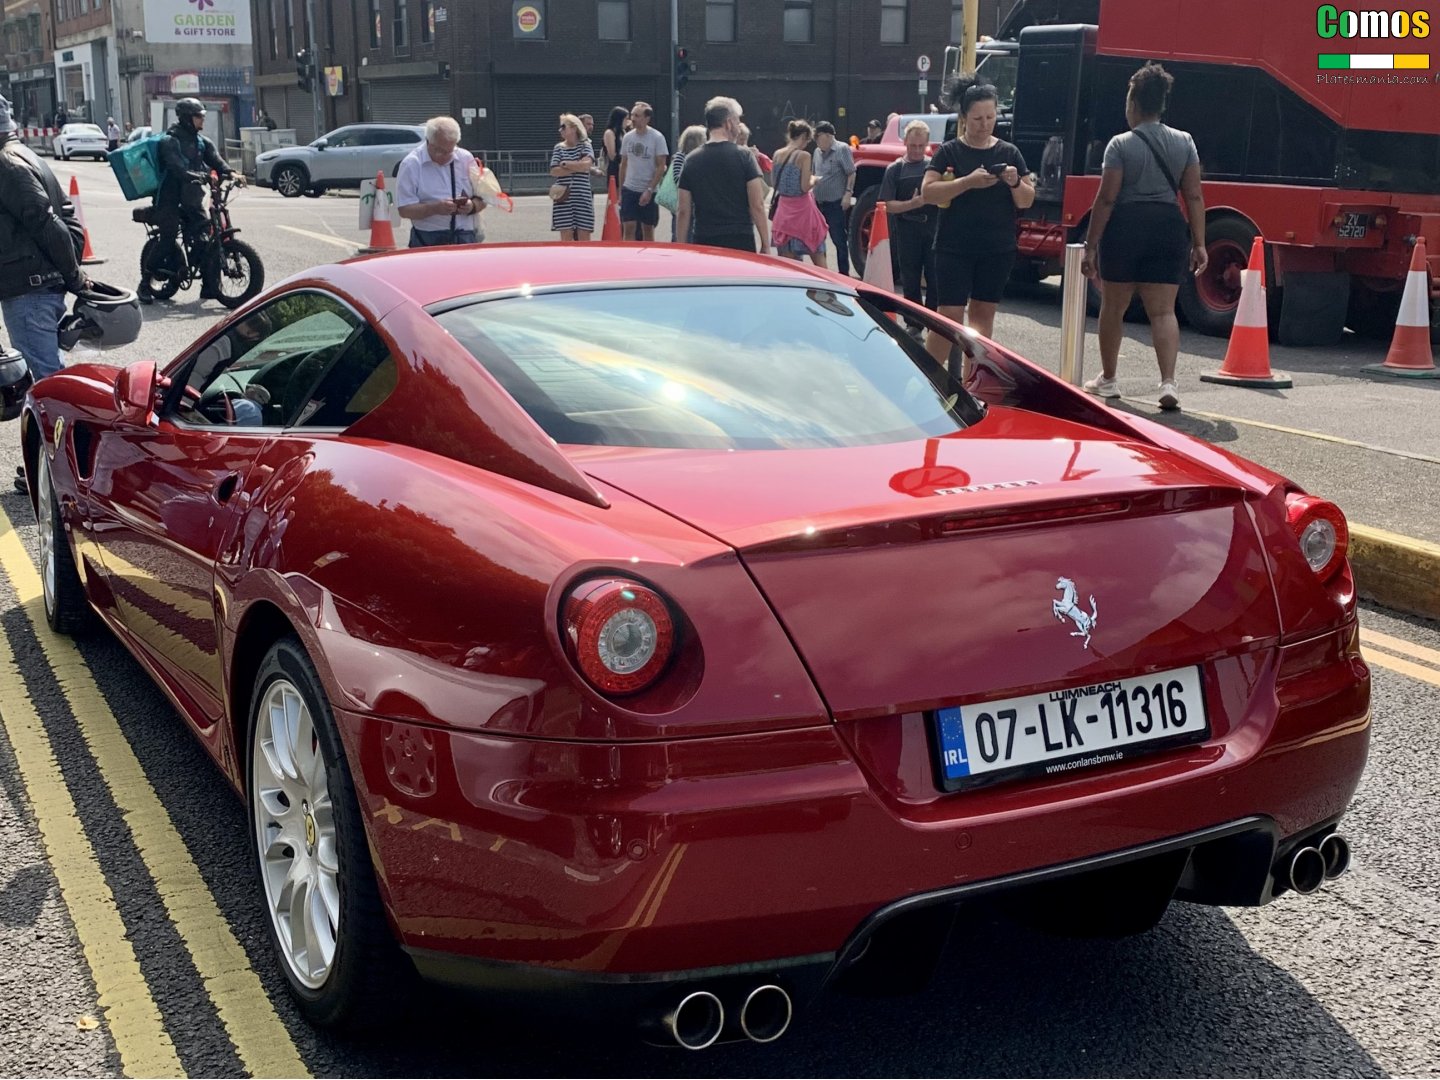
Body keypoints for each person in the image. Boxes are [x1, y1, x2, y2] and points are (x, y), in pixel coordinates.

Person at [1080, 62, 1207, 411]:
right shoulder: (1185, 141)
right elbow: (1194, 195)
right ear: (1161, 104)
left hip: (1126, 228)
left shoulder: (1120, 145)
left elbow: (1106, 198)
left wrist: (1090, 247)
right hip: (1167, 227)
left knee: (1114, 307)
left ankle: (1108, 379)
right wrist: (1199, 242)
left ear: (1133, 103)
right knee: (1164, 311)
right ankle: (1168, 382)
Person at [1, 93, 87, 491]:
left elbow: (47, 221)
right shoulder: (21, 154)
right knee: (46, 378)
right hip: (34, 286)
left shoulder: (7, 164)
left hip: (30, 290)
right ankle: (54, 464)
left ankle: (65, 469)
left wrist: (73, 277)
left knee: (46, 383)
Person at [921, 78, 1035, 360]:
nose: (984, 124)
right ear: (963, 118)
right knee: (948, 316)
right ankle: (928, 380)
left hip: (996, 248)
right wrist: (966, 182)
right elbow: (928, 192)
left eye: (990, 117)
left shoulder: (1009, 152)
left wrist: (1013, 182)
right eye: (977, 119)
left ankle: (975, 389)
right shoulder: (949, 151)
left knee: (983, 317)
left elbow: (1026, 199)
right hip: (953, 246)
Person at [142, 97, 241, 304]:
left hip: (192, 199)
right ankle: (144, 283)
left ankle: (209, 286)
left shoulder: (202, 142)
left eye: (202, 116)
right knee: (168, 238)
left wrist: (231, 173)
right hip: (169, 199)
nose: (201, 120)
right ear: (187, 118)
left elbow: (216, 160)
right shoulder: (170, 141)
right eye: (198, 117)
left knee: (204, 239)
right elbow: (177, 168)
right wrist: (199, 176)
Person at [676, 97, 770, 255]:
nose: (739, 128)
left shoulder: (691, 159)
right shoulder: (745, 156)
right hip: (740, 238)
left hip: (704, 238)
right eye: (737, 121)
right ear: (728, 123)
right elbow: (757, 205)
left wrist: (681, 246)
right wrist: (765, 244)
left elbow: (683, 210)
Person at [879, 120, 940, 333]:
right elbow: (886, 205)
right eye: (912, 145)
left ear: (927, 144)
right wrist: (912, 204)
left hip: (933, 230)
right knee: (910, 280)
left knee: (935, 280)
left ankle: (934, 324)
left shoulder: (935, 167)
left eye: (920, 146)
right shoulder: (895, 169)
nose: (916, 150)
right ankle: (914, 324)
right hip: (907, 230)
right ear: (905, 142)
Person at [395, 115, 485, 247]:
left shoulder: (466, 158)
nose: (445, 156)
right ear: (428, 141)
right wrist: (435, 208)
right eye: (439, 150)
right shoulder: (411, 164)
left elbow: (484, 198)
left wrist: (472, 207)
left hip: (464, 236)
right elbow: (404, 210)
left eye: (450, 150)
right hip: (428, 238)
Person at [769, 120, 828, 268]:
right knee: (821, 267)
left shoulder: (777, 154)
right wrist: (814, 180)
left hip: (783, 214)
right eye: (807, 140)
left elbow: (774, 182)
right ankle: (826, 291)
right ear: (803, 136)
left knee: (790, 269)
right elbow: (804, 186)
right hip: (803, 214)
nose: (807, 144)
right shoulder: (803, 156)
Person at [617, 101, 668, 241]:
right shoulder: (628, 137)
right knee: (628, 228)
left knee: (647, 229)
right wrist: (621, 190)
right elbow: (624, 164)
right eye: (632, 115)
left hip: (648, 189)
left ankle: (647, 257)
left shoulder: (657, 138)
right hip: (630, 188)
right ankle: (628, 258)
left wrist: (650, 189)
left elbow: (661, 166)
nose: (633, 119)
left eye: (637, 115)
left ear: (647, 118)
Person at [811, 121, 856, 275]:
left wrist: (848, 194)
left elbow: (851, 172)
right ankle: (822, 274)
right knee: (818, 242)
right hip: (818, 203)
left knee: (839, 241)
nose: (816, 139)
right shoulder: (816, 152)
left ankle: (844, 274)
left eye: (818, 136)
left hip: (835, 203)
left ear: (829, 136)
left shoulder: (842, 149)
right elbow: (813, 173)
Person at [549, 113, 595, 242]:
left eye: (564, 127)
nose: (560, 130)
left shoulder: (585, 145)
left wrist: (566, 164)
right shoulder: (558, 148)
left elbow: (586, 165)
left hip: (582, 195)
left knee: (584, 233)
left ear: (574, 128)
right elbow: (554, 171)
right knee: (566, 234)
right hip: (563, 196)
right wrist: (576, 166)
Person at [668, 124, 706, 242]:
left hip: (695, 206)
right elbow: (678, 180)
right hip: (685, 203)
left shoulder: (682, 157)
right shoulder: (681, 157)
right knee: (682, 236)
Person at [602, 106, 627, 188]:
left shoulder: (623, 133)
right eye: (626, 119)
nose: (627, 122)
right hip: (615, 169)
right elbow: (612, 155)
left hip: (625, 169)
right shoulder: (610, 133)